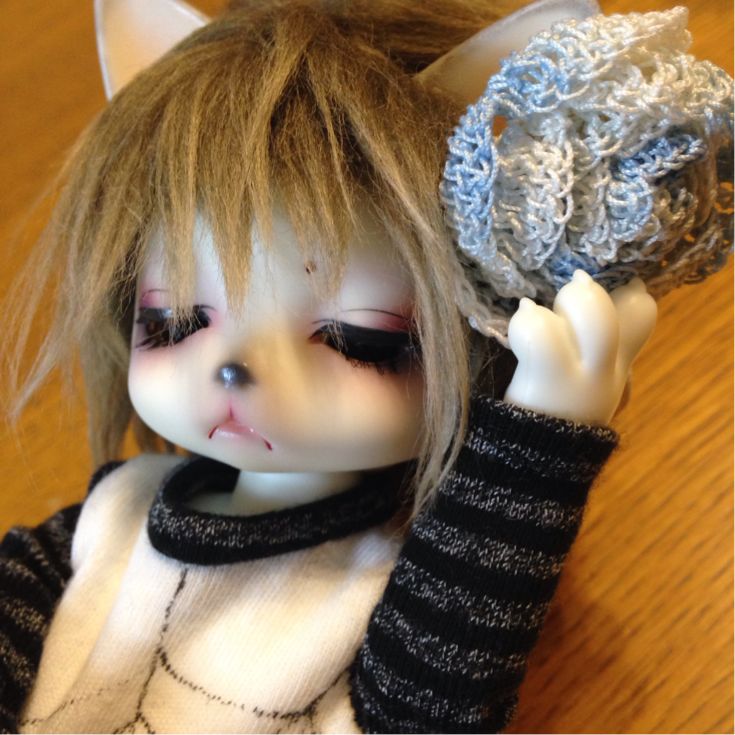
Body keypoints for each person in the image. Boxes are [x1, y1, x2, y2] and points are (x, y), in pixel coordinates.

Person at [0, 0, 729, 732]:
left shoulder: (396, 582)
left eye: (360, 341)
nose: (233, 370)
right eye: (174, 323)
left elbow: (431, 710)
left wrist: (535, 443)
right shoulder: (112, 513)